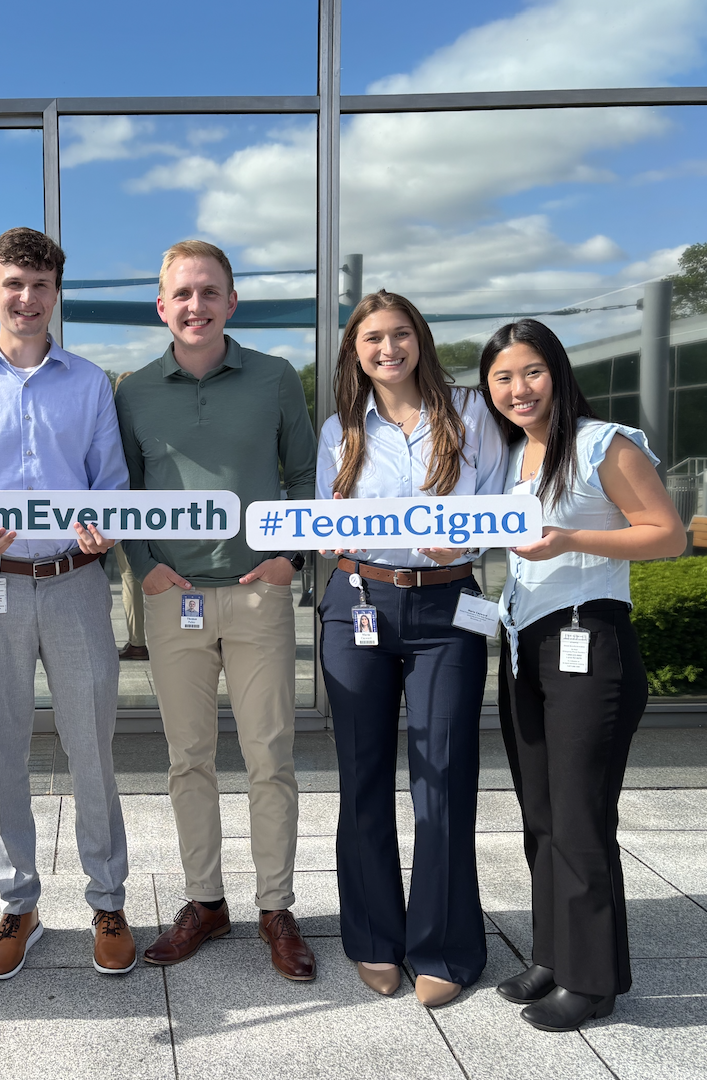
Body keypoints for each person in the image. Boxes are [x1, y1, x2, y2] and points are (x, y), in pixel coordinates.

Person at [0, 226, 135, 979]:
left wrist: (108, 528)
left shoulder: (90, 382)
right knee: (2, 748)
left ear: (56, 293)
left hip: (75, 582)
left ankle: (107, 897)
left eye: (41, 285)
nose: (28, 298)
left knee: (91, 749)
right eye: (14, 284)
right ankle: (19, 905)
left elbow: (111, 483)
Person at [116, 240, 317, 981]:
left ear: (232, 302)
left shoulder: (274, 378)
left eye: (210, 292)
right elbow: (126, 494)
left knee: (270, 758)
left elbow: (302, 475)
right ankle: (205, 902)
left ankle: (276, 907)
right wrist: (148, 571)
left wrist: (290, 559)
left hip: (258, 591)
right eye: (182, 294)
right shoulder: (132, 390)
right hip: (177, 599)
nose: (195, 305)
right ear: (161, 307)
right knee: (187, 760)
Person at [480, 319, 683, 1031]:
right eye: (502, 378)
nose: (518, 389)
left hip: (589, 641)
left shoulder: (606, 443)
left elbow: (668, 533)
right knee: (540, 812)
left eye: (531, 371)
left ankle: (593, 982)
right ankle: (553, 954)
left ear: (557, 372)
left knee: (580, 816)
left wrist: (570, 539)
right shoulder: (510, 457)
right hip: (522, 646)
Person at [316, 289, 505, 1006]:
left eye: (399, 335)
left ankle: (446, 947)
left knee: (444, 778)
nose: (387, 349)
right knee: (362, 777)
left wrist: (466, 536)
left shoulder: (471, 413)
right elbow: (323, 517)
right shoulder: (340, 426)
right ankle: (371, 937)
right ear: (355, 352)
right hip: (357, 604)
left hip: (450, 603)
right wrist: (328, 539)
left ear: (419, 339)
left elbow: (494, 507)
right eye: (372, 339)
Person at [112, 371, 148, 661]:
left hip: (124, 509)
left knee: (130, 576)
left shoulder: (109, 427)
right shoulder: (156, 421)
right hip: (160, 510)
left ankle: (137, 641)